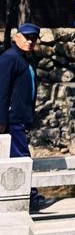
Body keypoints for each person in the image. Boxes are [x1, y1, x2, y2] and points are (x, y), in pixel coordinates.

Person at [0, 22, 39, 157]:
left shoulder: (29, 57)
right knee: (22, 158)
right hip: (12, 119)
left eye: (33, 38)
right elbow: (2, 91)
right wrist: (1, 120)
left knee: (15, 158)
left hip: (22, 117)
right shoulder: (9, 57)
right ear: (16, 37)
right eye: (27, 37)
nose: (30, 41)